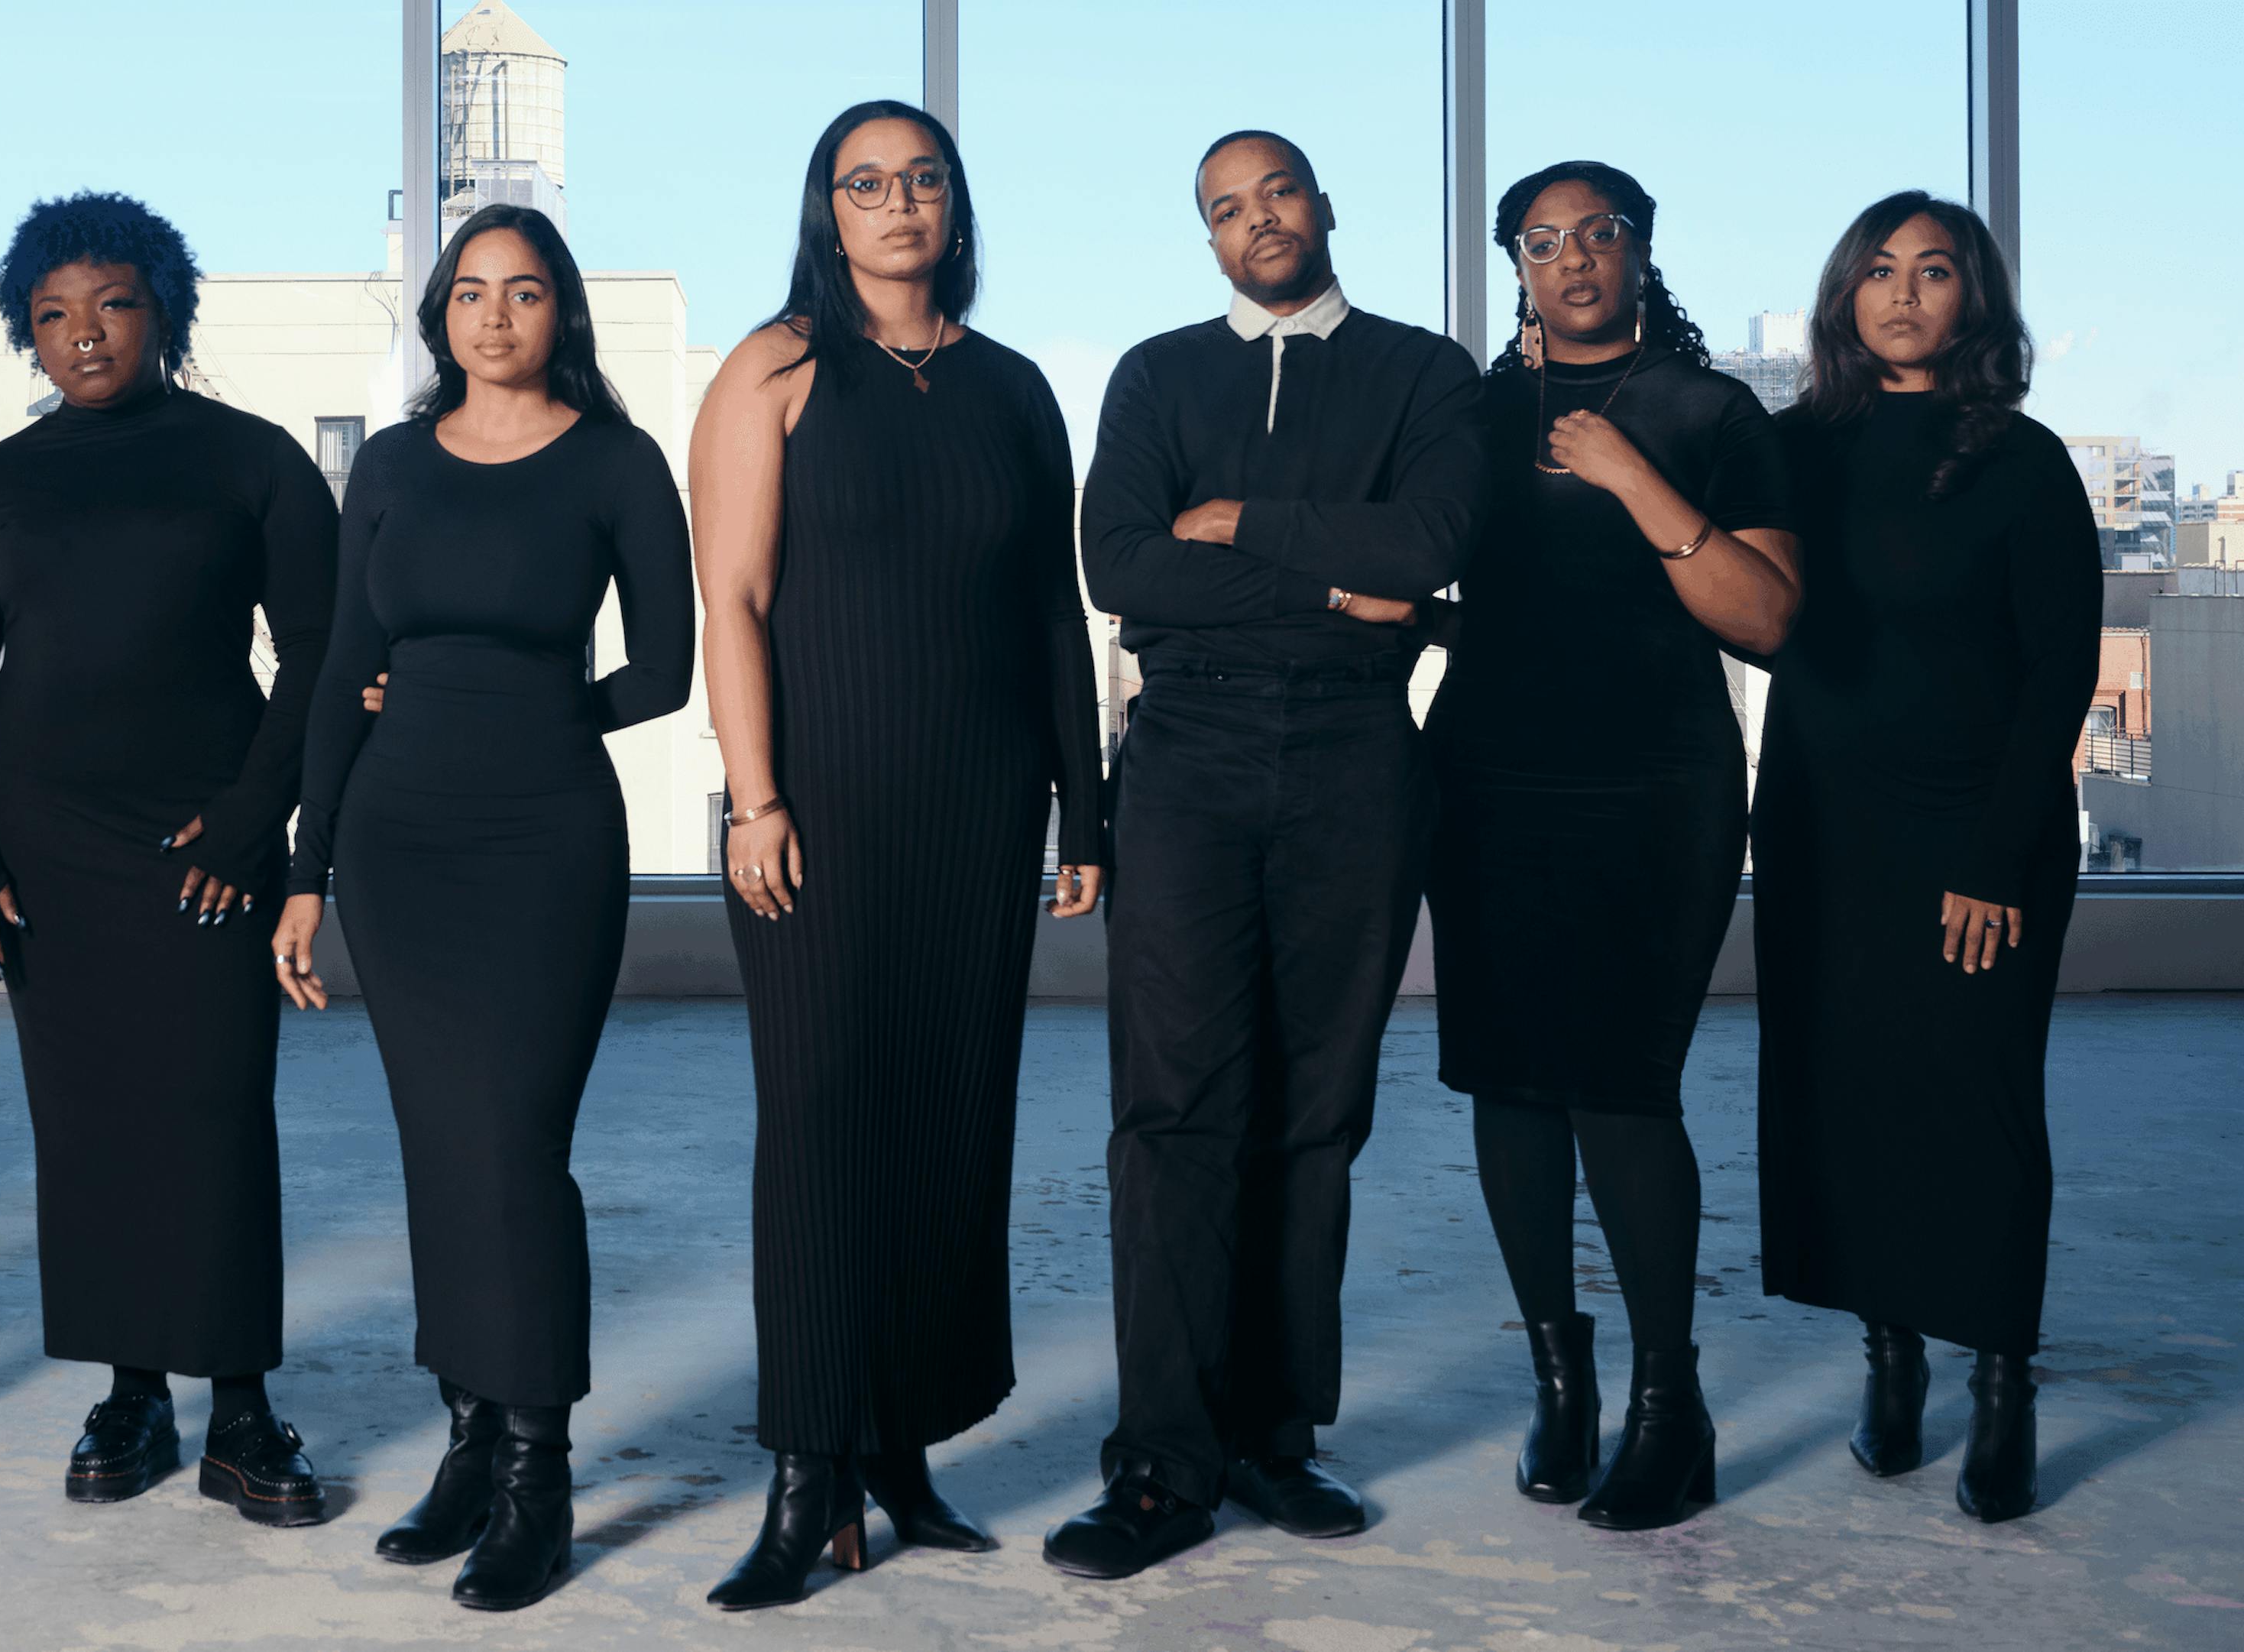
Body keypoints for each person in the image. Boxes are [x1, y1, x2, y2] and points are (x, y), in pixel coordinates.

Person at [1045, 129, 1484, 1579]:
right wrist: (1340, 579)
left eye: (1276, 192)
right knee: (1173, 1108)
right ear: (1209, 240)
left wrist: (1246, 528)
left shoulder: (1425, 373)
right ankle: (1164, 1460)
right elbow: (1123, 563)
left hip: (1362, 755)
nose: (1257, 221)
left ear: (1323, 204)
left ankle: (1273, 1435)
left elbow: (1428, 541)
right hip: (1188, 755)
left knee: (1317, 1105)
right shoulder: (1159, 374)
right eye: (1225, 209)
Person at [688, 101, 1106, 1610]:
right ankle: (809, 1471)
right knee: (817, 1125)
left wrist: (1084, 806)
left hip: (981, 804)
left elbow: (1053, 614)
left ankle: (905, 1450)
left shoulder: (1011, 388)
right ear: (826, 210)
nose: (897, 204)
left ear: (954, 206)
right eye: (864, 184)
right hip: (818, 803)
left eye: (922, 180)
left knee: (949, 1120)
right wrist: (754, 796)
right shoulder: (775, 367)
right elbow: (728, 598)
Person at [270, 203, 691, 1609]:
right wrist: (305, 868)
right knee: (442, 1146)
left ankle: (538, 1470)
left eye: (523, 291)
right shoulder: (389, 465)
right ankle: (467, 1445)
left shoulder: (619, 462)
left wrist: (542, 706)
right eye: (469, 292)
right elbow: (340, 672)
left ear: (562, 309)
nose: (494, 314)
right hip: (399, 841)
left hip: (546, 833)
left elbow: (671, 667)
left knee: (514, 1143)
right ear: (440, 315)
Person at [0, 193, 335, 1524]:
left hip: (209, 840)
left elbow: (322, 664)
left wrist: (255, 811)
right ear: (24, 333)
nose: (82, 336)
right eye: (51, 315)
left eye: (110, 305)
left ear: (163, 307)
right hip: (51, 857)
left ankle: (245, 1406)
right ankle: (133, 1391)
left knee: (213, 1119)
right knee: (87, 1129)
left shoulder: (254, 461)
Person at [1410, 161, 1799, 1531]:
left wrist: (1629, 473)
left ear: (1641, 251)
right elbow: (1449, 577)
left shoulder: (1713, 412)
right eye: (1542, 240)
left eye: (1599, 235)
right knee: (1510, 1085)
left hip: (1657, 784)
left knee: (1623, 1088)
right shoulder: (1475, 407)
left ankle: (1668, 1405)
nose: (1571, 259)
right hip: (1492, 779)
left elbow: (1764, 619)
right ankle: (1558, 1384)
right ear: (1516, 263)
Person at [1753, 191, 2096, 1525]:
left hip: (1976, 824)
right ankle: (1887, 1363)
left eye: (1934, 270)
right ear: (1844, 295)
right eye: (1878, 270)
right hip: (1821, 825)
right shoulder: (1785, 448)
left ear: (1976, 299)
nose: (1903, 292)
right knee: (1845, 1094)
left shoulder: (2022, 457)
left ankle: (2001, 1385)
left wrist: (1998, 855)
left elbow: (2060, 671)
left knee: (1982, 1100)